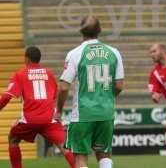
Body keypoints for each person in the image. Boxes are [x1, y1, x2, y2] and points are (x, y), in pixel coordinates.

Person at [57, 16, 124, 168]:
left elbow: (63, 87)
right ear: (99, 31)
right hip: (106, 113)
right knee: (104, 155)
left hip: (83, 114)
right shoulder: (114, 52)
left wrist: (58, 110)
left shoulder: (75, 54)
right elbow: (119, 86)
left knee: (80, 158)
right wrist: (105, 98)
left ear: (81, 31)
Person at [0, 46, 75, 168]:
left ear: (26, 59)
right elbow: (53, 96)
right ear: (39, 59)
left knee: (13, 139)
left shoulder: (20, 74)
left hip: (30, 120)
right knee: (64, 147)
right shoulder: (49, 74)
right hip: (49, 119)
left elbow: (6, 97)